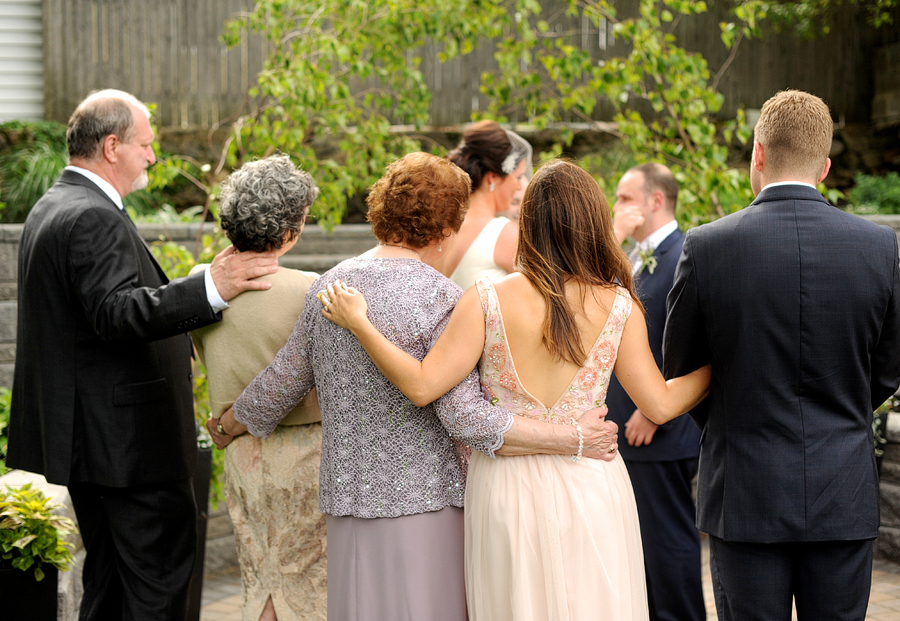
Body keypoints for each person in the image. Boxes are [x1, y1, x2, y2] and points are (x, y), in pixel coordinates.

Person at [215, 152, 620, 621]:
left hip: (348, 502)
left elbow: (280, 384)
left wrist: (226, 424)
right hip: (428, 501)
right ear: (447, 230)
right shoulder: (444, 299)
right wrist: (568, 435)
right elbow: (465, 416)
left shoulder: (329, 287)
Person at [322, 159, 711, 620]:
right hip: (590, 480)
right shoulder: (619, 305)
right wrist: (717, 367)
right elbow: (661, 404)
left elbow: (423, 385)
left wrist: (362, 325)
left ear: (527, 222)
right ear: (592, 220)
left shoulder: (486, 299)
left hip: (504, 488)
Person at [6, 89, 278, 620]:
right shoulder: (91, 216)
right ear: (112, 146)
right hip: (128, 450)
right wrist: (211, 289)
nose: (153, 157)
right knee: (158, 586)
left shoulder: (53, 206)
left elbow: (100, 308)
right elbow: (116, 312)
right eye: (146, 145)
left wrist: (199, 284)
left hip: (96, 447)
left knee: (110, 587)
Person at [664, 90, 900, 621]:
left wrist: (732, 419)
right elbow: (887, 366)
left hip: (744, 492)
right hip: (842, 490)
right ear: (826, 166)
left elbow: (681, 366)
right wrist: (842, 409)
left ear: (758, 155)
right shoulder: (878, 247)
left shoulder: (706, 246)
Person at [189, 155, 326, 621]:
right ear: (291, 228)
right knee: (306, 586)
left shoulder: (200, 288)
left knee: (259, 580)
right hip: (307, 454)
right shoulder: (312, 291)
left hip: (240, 454)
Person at [606, 163, 705, 621]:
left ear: (656, 201)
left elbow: (688, 344)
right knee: (641, 551)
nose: (618, 205)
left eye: (625, 198)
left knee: (668, 548)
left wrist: (655, 409)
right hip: (626, 427)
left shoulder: (685, 253)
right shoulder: (630, 258)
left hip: (659, 431)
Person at [435, 120, 531, 288]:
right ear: (492, 177)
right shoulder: (504, 235)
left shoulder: (439, 226)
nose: (518, 186)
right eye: (516, 177)